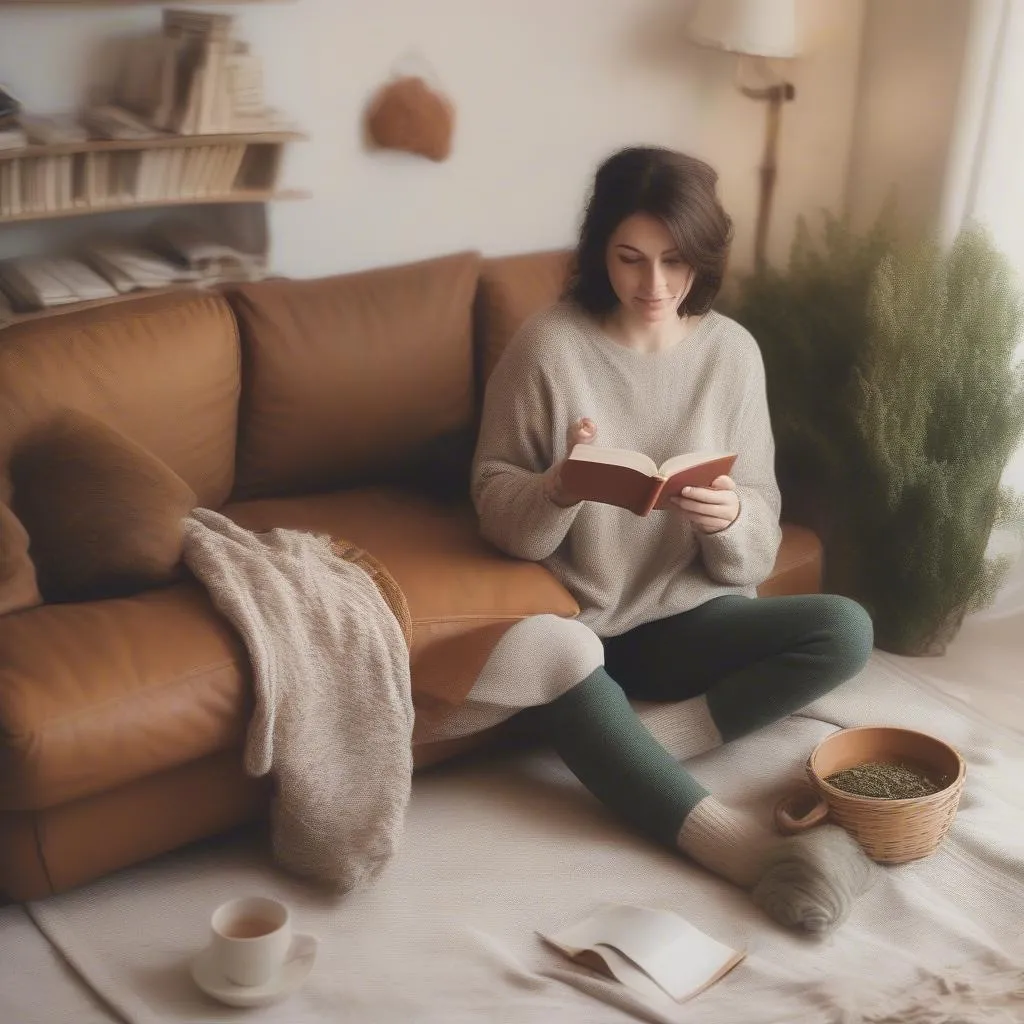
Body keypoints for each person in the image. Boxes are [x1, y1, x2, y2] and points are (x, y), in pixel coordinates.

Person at [470, 146, 877, 934]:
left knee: (847, 629)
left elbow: (759, 520)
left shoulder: (732, 352)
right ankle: (740, 849)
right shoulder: (549, 348)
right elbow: (493, 503)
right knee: (553, 661)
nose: (653, 286)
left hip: (692, 618)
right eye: (629, 259)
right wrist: (559, 486)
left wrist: (731, 519)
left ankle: (637, 749)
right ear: (599, 253)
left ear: (705, 256)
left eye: (674, 261)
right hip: (585, 629)